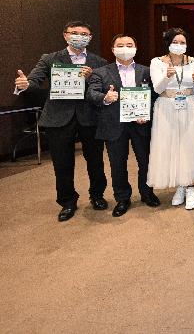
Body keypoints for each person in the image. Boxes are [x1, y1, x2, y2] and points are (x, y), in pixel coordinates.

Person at [14, 21, 108, 222]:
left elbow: (102, 87)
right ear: (65, 35)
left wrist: (91, 77)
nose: (79, 36)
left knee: (95, 160)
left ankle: (97, 195)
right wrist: (24, 85)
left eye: (84, 34)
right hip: (59, 116)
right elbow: (34, 80)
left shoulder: (98, 61)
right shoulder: (50, 59)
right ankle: (67, 202)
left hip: (89, 116)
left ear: (90, 38)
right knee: (62, 162)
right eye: (75, 33)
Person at [87, 34, 160, 217]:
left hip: (140, 123)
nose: (125, 48)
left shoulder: (146, 71)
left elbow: (155, 96)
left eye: (129, 45)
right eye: (120, 45)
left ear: (136, 48)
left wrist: (146, 114)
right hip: (113, 124)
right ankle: (122, 198)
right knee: (117, 163)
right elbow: (91, 94)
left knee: (146, 161)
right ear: (113, 49)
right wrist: (105, 97)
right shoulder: (101, 72)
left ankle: (147, 193)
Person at [147, 28, 194, 210]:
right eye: (175, 42)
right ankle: (180, 187)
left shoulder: (193, 61)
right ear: (168, 43)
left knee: (188, 146)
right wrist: (167, 77)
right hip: (166, 107)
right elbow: (158, 89)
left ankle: (190, 188)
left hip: (188, 105)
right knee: (171, 146)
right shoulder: (157, 62)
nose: (179, 46)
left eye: (183, 42)